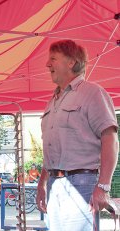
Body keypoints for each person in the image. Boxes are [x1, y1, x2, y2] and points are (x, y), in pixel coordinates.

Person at [36, 39, 119, 231]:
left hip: (82, 182)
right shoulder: (52, 101)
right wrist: (42, 183)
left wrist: (103, 187)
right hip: (54, 186)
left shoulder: (93, 93)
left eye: (53, 59)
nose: (48, 64)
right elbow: (50, 148)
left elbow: (111, 140)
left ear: (71, 62)